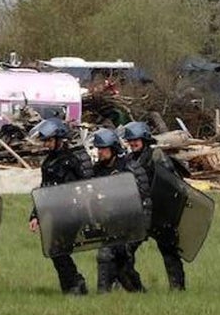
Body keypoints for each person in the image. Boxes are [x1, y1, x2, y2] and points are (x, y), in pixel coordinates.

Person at [29, 118, 92, 295]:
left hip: (72, 213)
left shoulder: (71, 161)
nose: (47, 144)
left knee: (58, 249)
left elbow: (80, 189)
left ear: (59, 140)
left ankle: (75, 283)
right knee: (55, 251)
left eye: (49, 140)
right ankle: (71, 286)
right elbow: (44, 190)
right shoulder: (48, 163)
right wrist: (35, 215)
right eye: (46, 141)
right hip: (56, 213)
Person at [124, 121, 187, 291]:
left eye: (135, 140)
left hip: (161, 214)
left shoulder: (157, 157)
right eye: (130, 141)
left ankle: (177, 289)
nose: (132, 143)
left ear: (144, 139)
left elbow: (172, 184)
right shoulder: (129, 160)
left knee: (169, 252)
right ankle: (134, 288)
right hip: (139, 213)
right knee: (124, 251)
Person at [91, 128, 148, 294]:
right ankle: (138, 292)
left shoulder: (130, 169)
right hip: (108, 223)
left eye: (103, 148)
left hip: (130, 224)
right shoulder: (97, 170)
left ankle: (103, 293)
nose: (99, 152)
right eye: (98, 149)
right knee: (120, 263)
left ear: (113, 148)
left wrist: (141, 228)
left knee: (108, 255)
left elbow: (144, 200)